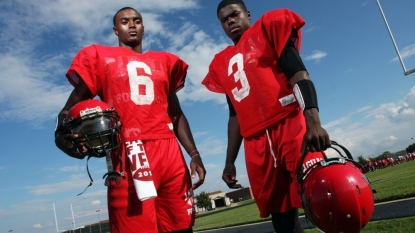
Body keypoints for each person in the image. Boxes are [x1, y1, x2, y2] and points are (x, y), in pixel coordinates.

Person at [54, 7, 206, 233]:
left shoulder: (163, 61)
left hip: (169, 151)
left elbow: (176, 114)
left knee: (180, 227)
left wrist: (194, 154)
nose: (132, 24)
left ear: (144, 27)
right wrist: (60, 137)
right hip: (129, 152)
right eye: (125, 21)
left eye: (137, 20)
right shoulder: (101, 58)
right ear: (116, 30)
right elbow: (68, 110)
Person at [202, 1, 331, 232]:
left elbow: (298, 73)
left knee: (323, 193)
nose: (230, 21)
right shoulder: (221, 61)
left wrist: (313, 121)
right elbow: (235, 115)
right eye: (224, 19)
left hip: (289, 123)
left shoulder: (268, 28)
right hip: (255, 140)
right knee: (281, 215)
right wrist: (229, 161)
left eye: (234, 14)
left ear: (247, 14)